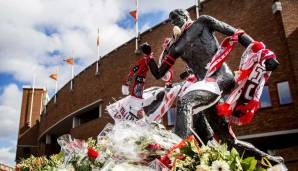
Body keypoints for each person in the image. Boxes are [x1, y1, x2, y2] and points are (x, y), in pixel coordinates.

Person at [141, 9, 282, 163]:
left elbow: (237, 34)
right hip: (205, 87)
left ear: (186, 16)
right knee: (227, 142)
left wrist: (264, 54)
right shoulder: (175, 46)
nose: (174, 22)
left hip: (221, 77)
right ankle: (273, 162)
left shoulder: (203, 22)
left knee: (185, 101)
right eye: (171, 21)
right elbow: (159, 73)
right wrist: (148, 56)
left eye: (176, 18)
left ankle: (176, 154)